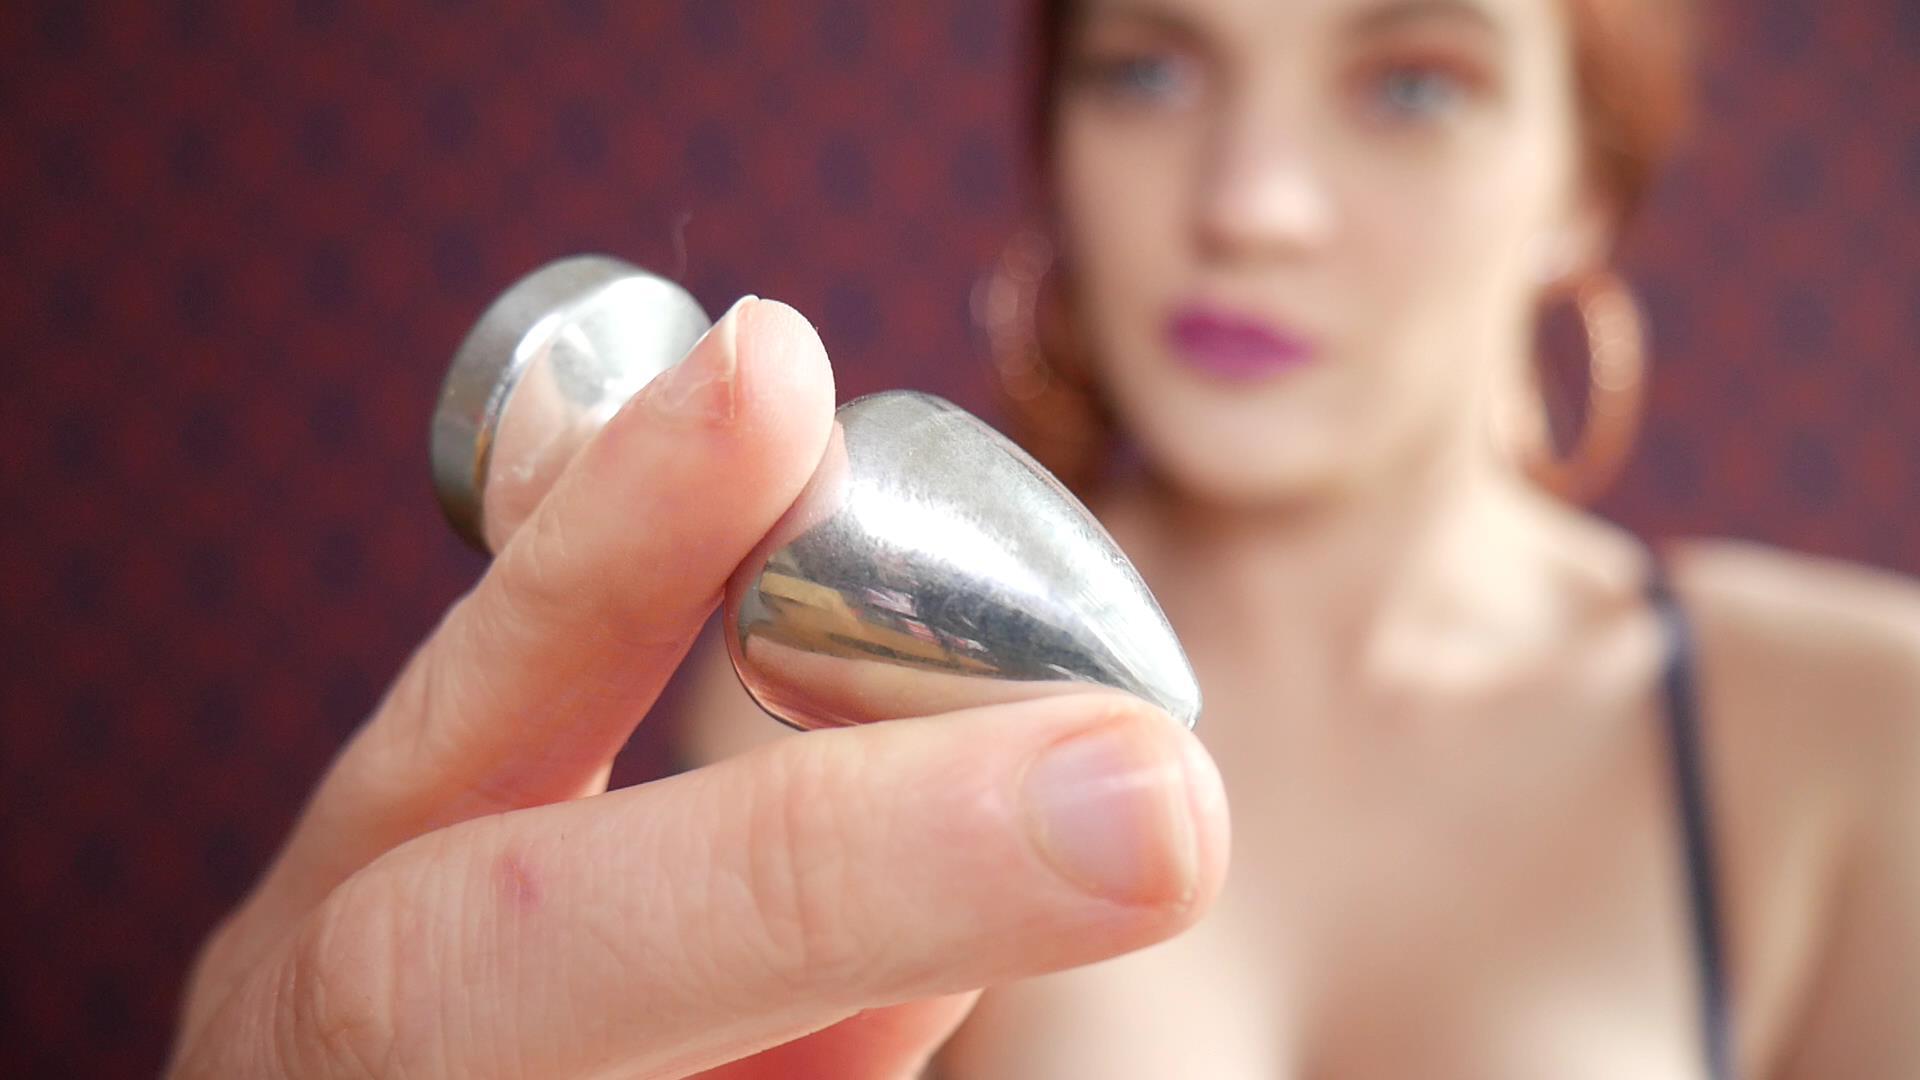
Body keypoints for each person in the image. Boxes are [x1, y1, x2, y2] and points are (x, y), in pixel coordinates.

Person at [170, 1, 1918, 1078]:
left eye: (1411, 83)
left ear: (1583, 182)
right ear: (1058, 142)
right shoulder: (835, 675)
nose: (1249, 202)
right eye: (1150, 67)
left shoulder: (1864, 730)